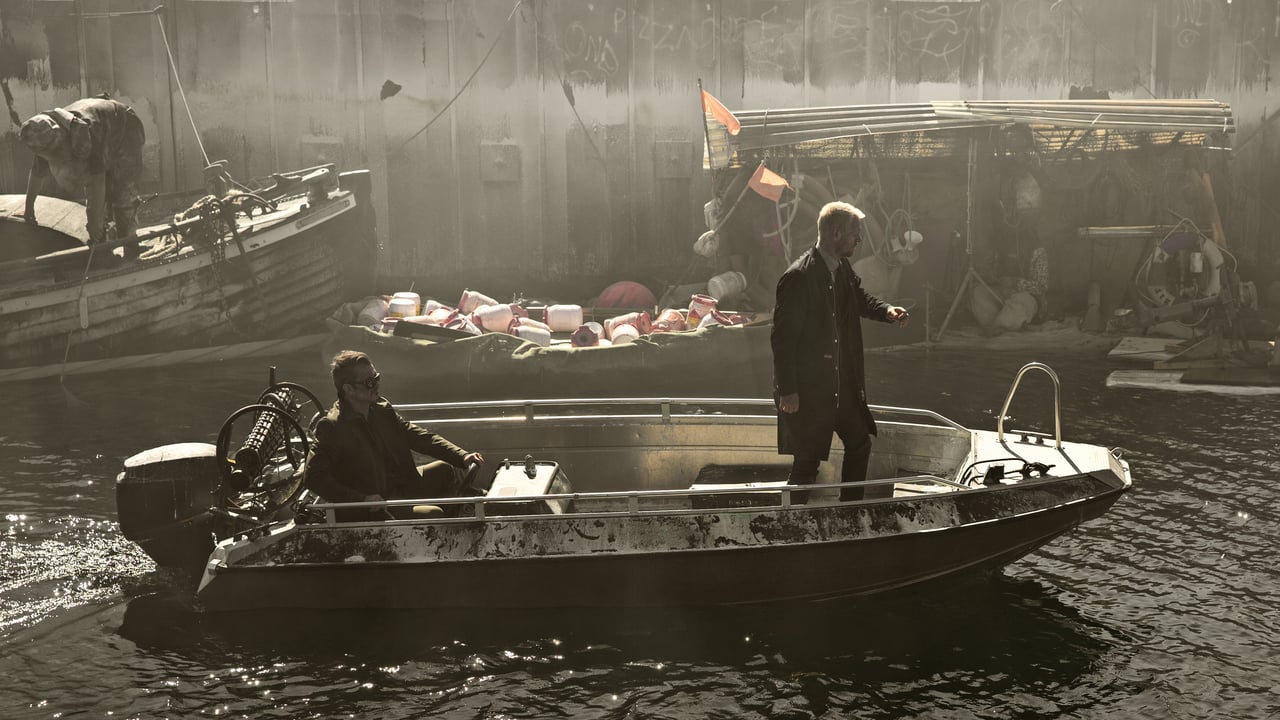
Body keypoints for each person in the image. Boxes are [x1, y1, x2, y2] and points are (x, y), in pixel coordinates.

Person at [770, 201, 910, 502]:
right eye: (854, 232)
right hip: (808, 391)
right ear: (835, 234)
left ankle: (850, 511)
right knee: (806, 464)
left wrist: (886, 311)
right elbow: (782, 340)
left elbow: (859, 299)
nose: (859, 239)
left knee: (859, 443)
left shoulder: (841, 268)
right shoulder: (798, 278)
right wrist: (788, 391)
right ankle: (789, 522)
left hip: (839, 387)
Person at [305, 350, 485, 520]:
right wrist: (361, 499)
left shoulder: (381, 409)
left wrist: (461, 456)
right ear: (348, 389)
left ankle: (460, 514)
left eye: (377, 378)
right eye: (369, 382)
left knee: (444, 470)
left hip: (401, 486)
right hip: (376, 507)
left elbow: (417, 436)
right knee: (432, 514)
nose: (376, 385)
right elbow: (314, 477)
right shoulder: (332, 427)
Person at [17, 95, 146, 255]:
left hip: (124, 128)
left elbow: (97, 180)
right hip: (103, 126)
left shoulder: (86, 133)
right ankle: (103, 245)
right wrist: (29, 208)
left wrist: (94, 221)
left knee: (123, 193)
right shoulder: (42, 136)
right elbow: (37, 173)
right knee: (102, 201)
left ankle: (130, 247)